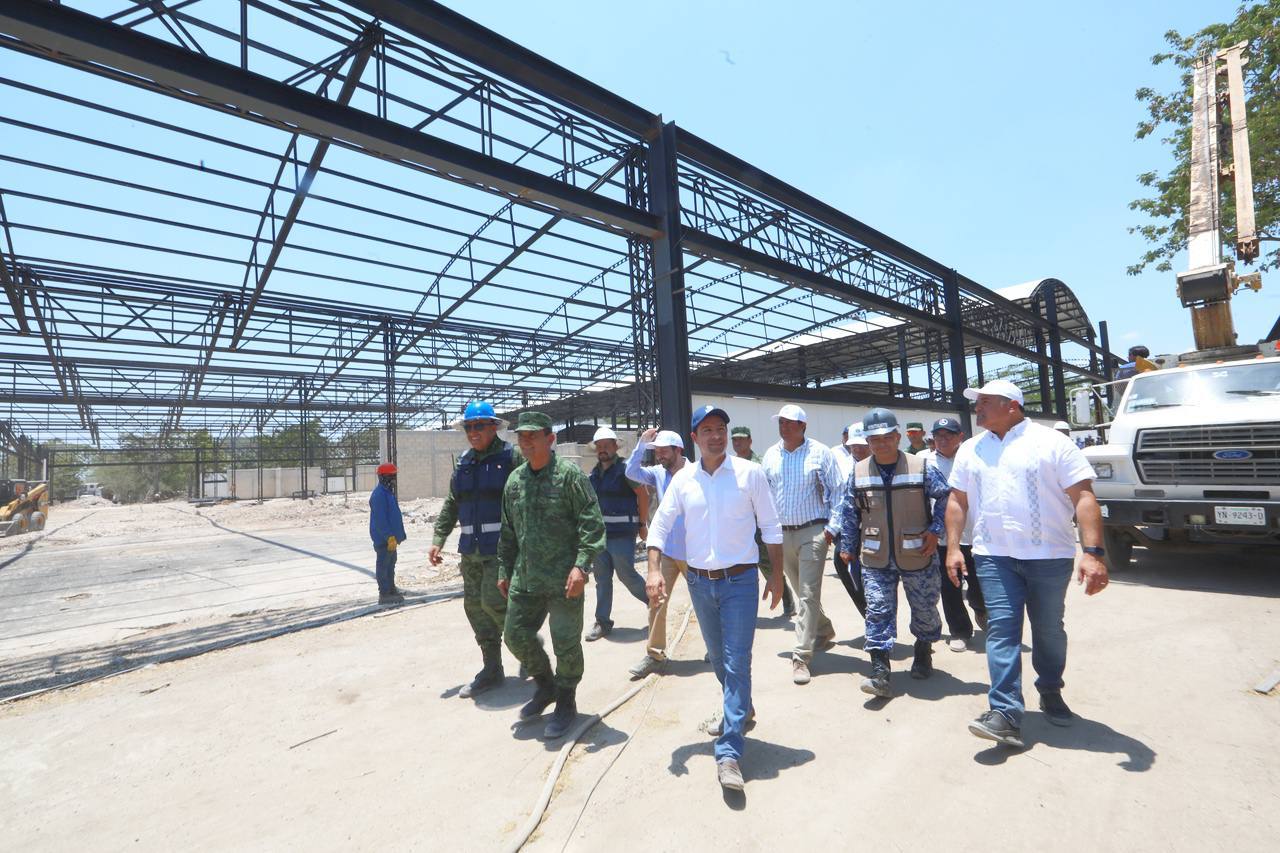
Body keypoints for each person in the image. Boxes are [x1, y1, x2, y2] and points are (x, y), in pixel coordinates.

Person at [944, 379, 1108, 749]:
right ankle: (1005, 712)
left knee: (1048, 630)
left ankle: (1050, 688)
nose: (977, 408)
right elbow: (957, 501)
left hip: (1049, 556)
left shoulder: (1052, 443)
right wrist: (953, 548)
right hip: (993, 556)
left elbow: (1083, 497)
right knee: (1002, 629)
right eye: (977, 402)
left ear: (1012, 405)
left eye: (985, 402)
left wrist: (1093, 553)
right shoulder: (971, 449)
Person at [646, 404, 784, 792]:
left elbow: (771, 526)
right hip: (699, 583)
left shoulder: (749, 473)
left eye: (720, 428)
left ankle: (729, 751)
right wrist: (653, 569)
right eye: (707, 430)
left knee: (737, 661)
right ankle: (742, 708)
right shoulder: (683, 480)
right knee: (720, 660)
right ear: (694, 438)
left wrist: (775, 576)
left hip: (740, 582)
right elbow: (660, 525)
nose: (716, 436)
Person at [498, 412, 606, 740]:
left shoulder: (569, 476)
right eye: (522, 436)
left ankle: (566, 700)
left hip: (564, 580)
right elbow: (508, 531)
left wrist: (581, 566)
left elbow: (592, 523)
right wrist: (504, 569)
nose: (526, 442)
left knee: (565, 643)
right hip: (526, 578)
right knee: (515, 635)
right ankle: (546, 686)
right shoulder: (515, 481)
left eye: (533, 435)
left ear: (550, 438)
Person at [836, 408, 950, 697]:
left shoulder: (920, 467)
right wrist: (848, 546)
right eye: (875, 439)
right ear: (868, 441)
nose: (881, 443)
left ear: (898, 437)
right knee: (877, 610)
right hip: (875, 555)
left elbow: (946, 497)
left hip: (917, 553)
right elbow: (849, 511)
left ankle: (923, 648)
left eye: (887, 437)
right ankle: (880, 671)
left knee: (925, 609)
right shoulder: (858, 472)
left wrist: (936, 530)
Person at [430, 401, 520, 699]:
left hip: (501, 551)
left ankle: (529, 650)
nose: (472, 432)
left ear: (494, 427)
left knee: (494, 603)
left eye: (479, 426)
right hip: (471, 552)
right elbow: (452, 503)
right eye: (468, 427)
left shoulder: (511, 457)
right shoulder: (464, 462)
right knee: (475, 609)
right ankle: (492, 669)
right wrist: (439, 538)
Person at [761, 404, 843, 685]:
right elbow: (765, 495)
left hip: (813, 531)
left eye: (790, 423)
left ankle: (801, 656)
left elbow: (838, 490)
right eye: (781, 423)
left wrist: (832, 527)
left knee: (807, 594)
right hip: (782, 535)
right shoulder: (771, 455)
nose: (784, 427)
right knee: (799, 588)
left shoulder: (820, 452)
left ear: (803, 426)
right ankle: (823, 629)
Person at [624, 428, 688, 678]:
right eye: (656, 451)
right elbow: (631, 472)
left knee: (708, 603)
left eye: (663, 451)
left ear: (678, 450)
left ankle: (716, 649)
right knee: (656, 601)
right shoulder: (657, 474)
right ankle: (655, 655)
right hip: (668, 551)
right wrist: (641, 444)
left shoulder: (695, 472)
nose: (659, 455)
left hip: (694, 552)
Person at [919, 417, 986, 651]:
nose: (943, 439)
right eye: (938, 435)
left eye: (949, 435)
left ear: (960, 437)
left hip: (974, 534)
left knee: (979, 584)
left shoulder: (973, 458)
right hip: (942, 538)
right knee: (949, 587)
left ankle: (981, 609)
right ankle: (960, 631)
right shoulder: (924, 462)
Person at [586, 426, 650, 642]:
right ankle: (602, 622)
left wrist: (642, 524)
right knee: (602, 579)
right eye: (599, 446)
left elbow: (643, 495)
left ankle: (655, 603)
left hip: (622, 534)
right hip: (599, 536)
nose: (602, 449)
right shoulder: (594, 475)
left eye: (607, 445)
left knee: (626, 574)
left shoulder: (625, 470)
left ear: (615, 447)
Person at [732, 425, 794, 616]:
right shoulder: (729, 465)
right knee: (738, 568)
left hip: (759, 525)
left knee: (768, 566)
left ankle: (786, 598)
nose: (737, 442)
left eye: (741, 439)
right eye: (734, 439)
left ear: (750, 441)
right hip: (739, 525)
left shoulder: (760, 464)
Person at [829, 423, 869, 618]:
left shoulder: (881, 464)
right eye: (854, 445)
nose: (858, 449)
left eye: (863, 445)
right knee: (843, 563)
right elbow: (836, 499)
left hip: (877, 528)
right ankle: (869, 616)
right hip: (848, 528)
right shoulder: (840, 466)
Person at [368, 462, 406, 605]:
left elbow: (393, 516)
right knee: (383, 566)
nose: (393, 479)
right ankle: (384, 594)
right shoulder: (379, 495)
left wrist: (397, 536)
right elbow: (380, 520)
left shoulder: (387, 493)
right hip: (384, 539)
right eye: (391, 476)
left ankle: (391, 590)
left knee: (390, 565)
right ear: (383, 477)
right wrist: (389, 536)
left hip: (391, 539)